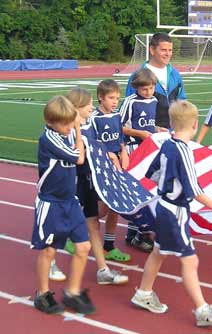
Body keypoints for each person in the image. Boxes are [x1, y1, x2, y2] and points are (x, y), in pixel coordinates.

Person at [130, 100, 212, 327]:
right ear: (195, 125)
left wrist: (167, 184)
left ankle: (144, 293)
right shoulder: (183, 150)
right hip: (175, 211)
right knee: (190, 260)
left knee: (158, 253)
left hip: (164, 206)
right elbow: (193, 189)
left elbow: (152, 172)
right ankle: (202, 311)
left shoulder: (167, 144)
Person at [31, 95, 95, 314]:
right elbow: (79, 158)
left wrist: (75, 127)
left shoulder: (64, 133)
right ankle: (42, 294)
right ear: (51, 122)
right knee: (49, 251)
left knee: (84, 247)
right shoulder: (49, 138)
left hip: (70, 200)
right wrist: (77, 130)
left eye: (70, 122)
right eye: (65, 124)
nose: (69, 127)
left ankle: (72, 292)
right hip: (52, 203)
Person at [65, 87, 129, 285]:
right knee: (60, 223)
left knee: (92, 224)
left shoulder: (90, 122)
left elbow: (96, 144)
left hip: (89, 180)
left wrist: (110, 155)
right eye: (88, 104)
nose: (92, 107)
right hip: (71, 183)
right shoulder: (65, 129)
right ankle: (49, 259)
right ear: (77, 107)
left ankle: (102, 269)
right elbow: (77, 156)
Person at [120, 68, 167, 253]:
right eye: (144, 89)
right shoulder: (130, 102)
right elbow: (120, 126)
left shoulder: (154, 100)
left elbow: (148, 124)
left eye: (151, 88)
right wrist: (139, 133)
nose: (148, 92)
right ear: (136, 88)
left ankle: (139, 233)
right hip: (133, 149)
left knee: (149, 190)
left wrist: (158, 129)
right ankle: (137, 233)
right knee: (137, 190)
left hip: (149, 149)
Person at [91, 79, 131, 262]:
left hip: (117, 166)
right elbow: (93, 144)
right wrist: (110, 155)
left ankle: (109, 245)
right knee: (102, 210)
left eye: (117, 98)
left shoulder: (116, 116)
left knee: (115, 207)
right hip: (103, 167)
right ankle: (77, 233)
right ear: (100, 97)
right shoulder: (94, 118)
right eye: (111, 98)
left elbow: (120, 138)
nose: (115, 101)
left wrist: (123, 151)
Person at [125, 32, 186, 129]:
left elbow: (182, 101)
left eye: (170, 50)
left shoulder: (175, 74)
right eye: (163, 50)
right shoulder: (138, 76)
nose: (168, 54)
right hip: (148, 135)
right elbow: (130, 110)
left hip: (173, 133)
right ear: (152, 50)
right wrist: (153, 129)